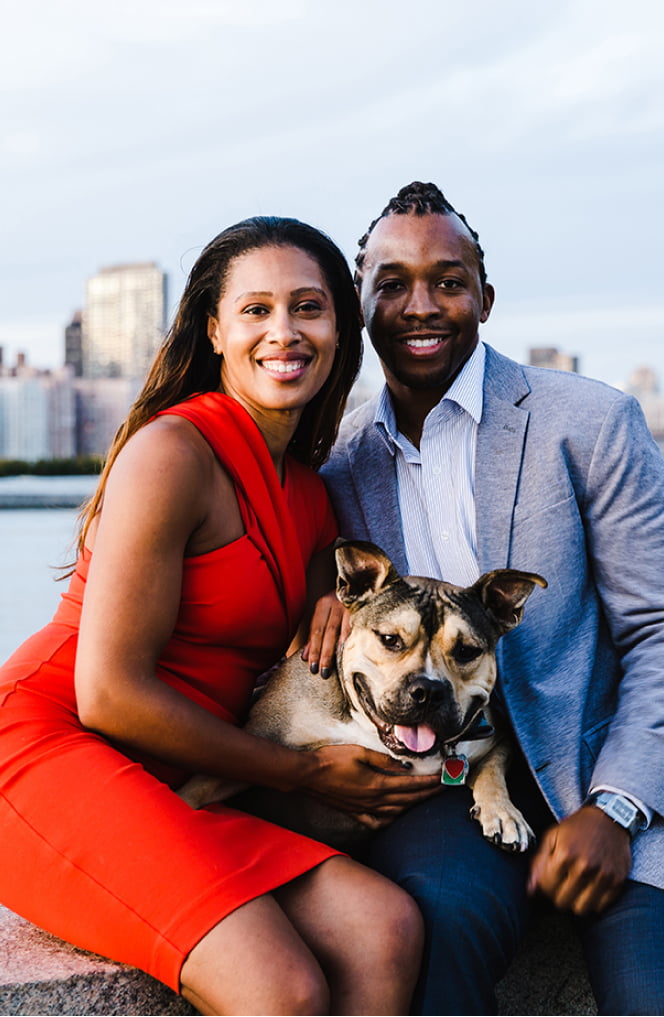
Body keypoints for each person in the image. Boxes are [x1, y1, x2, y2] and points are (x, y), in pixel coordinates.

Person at [0, 216, 441, 1016]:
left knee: (386, 926)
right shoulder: (172, 454)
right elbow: (108, 695)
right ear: (214, 329)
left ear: (340, 328)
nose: (285, 332)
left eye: (308, 307)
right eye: (256, 310)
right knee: (283, 987)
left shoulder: (312, 490)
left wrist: (330, 605)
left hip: (179, 781)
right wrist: (309, 775)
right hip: (52, 749)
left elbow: (324, 617)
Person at [317, 182, 664, 1015]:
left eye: (448, 279)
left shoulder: (593, 420)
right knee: (437, 927)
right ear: (361, 303)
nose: (420, 304)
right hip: (452, 784)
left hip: (605, 773)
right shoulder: (341, 462)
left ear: (485, 296)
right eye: (391, 282)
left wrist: (616, 807)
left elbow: (657, 630)